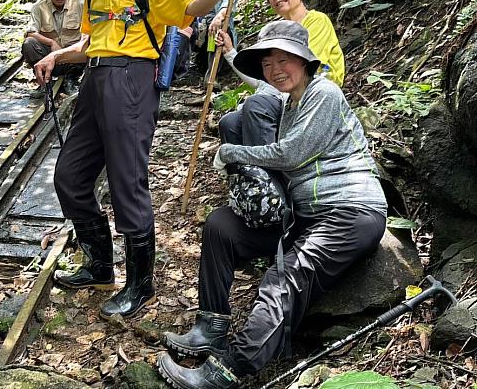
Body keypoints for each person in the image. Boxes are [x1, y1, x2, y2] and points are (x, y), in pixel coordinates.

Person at [34, 0, 261, 319]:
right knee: (69, 176)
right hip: (95, 81)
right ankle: (100, 265)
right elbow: (89, 41)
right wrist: (55, 57)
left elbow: (190, 9)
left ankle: (140, 284)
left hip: (132, 80)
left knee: (126, 182)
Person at [157, 20, 387, 389]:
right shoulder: (290, 102)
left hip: (350, 211)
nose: (276, 70)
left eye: (284, 60)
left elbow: (292, 154)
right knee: (221, 226)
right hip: (306, 217)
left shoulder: (324, 93)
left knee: (284, 277)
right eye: (267, 64)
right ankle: (211, 326)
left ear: (305, 61)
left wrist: (232, 151)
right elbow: (262, 99)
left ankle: (229, 370)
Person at [216, 0, 345, 149]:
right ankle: (245, 175)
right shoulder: (275, 31)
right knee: (229, 123)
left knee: (255, 105)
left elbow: (301, 71)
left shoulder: (316, 21)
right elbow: (264, 81)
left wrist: (259, 98)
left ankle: (267, 174)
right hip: (281, 97)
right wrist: (230, 52)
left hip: (310, 97)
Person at [21, 0, 84, 97]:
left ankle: (71, 79)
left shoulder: (80, 5)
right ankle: (44, 81)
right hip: (50, 59)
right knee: (29, 44)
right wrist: (51, 42)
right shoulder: (39, 7)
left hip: (75, 58)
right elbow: (30, 33)